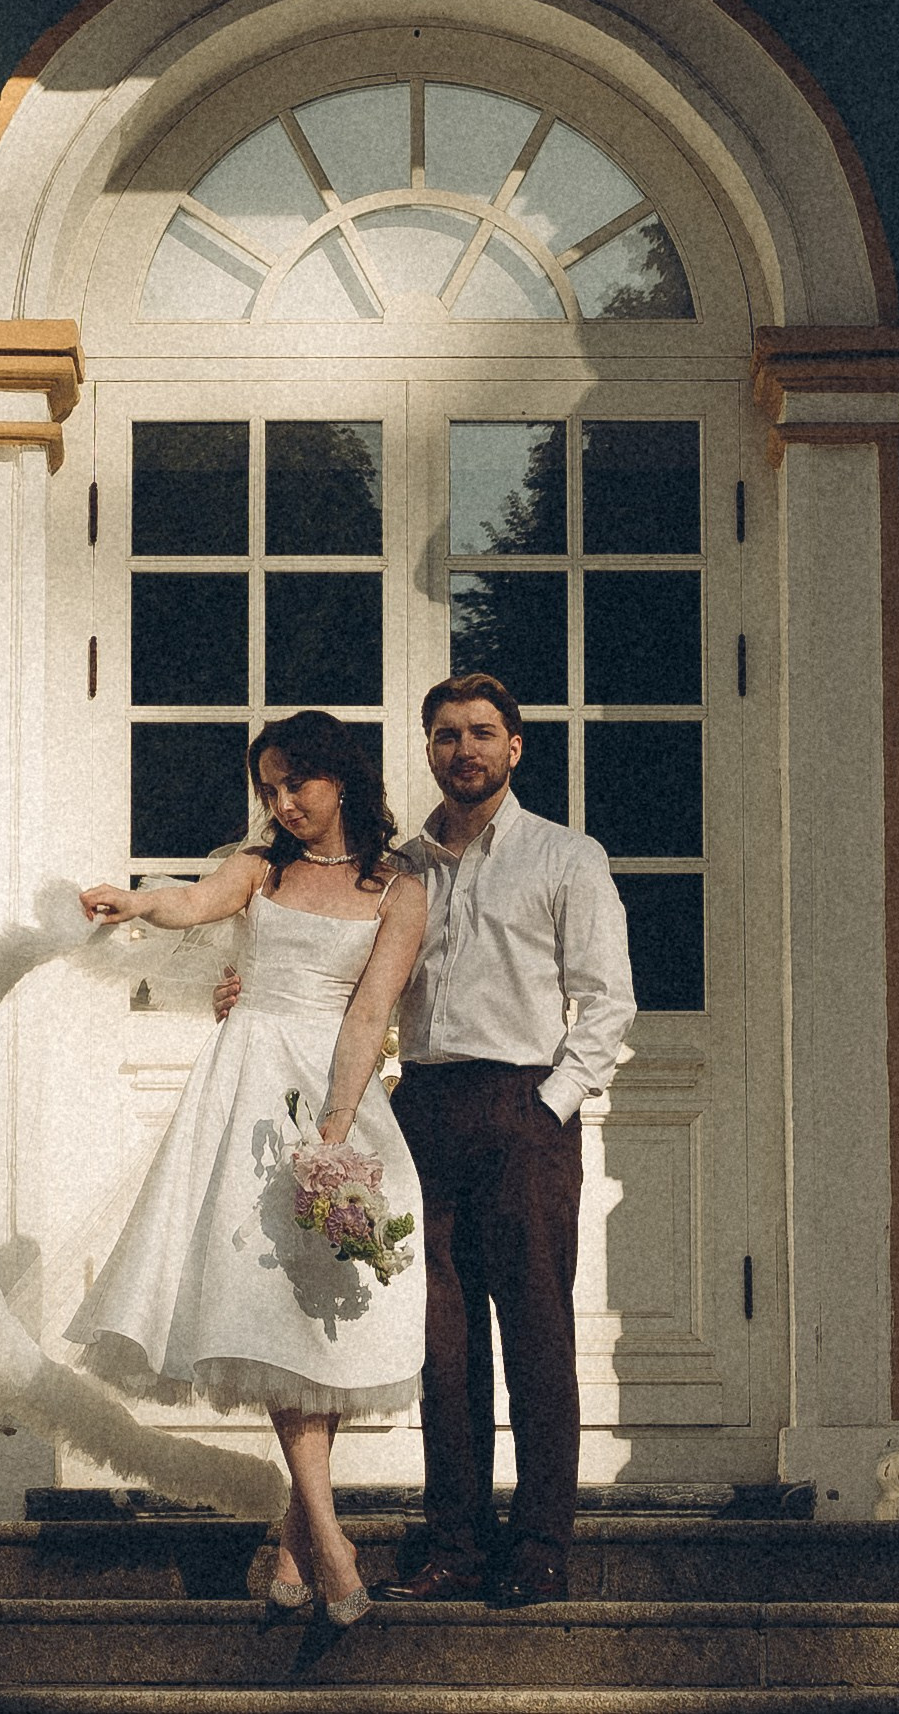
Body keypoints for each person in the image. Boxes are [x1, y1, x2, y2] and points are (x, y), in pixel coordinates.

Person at [73, 709, 428, 1626]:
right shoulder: (261, 867)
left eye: (294, 786)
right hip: (244, 1095)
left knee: (316, 1312)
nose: (281, 803)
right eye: (267, 789)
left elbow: (368, 1013)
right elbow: (192, 902)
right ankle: (330, 1536)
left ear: (339, 780)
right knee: (264, 1302)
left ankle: (292, 1538)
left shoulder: (399, 886)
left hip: (335, 1094)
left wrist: (336, 1136)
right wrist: (139, 901)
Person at [382, 673, 635, 1610]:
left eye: (483, 733)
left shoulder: (563, 856)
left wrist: (551, 1105)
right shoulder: (399, 867)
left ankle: (537, 1545)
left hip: (523, 1110)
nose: (465, 751)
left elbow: (608, 999)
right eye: (446, 735)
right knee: (440, 1346)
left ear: (515, 746)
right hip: (422, 1112)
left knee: (533, 1333)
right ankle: (453, 1544)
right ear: (428, 748)